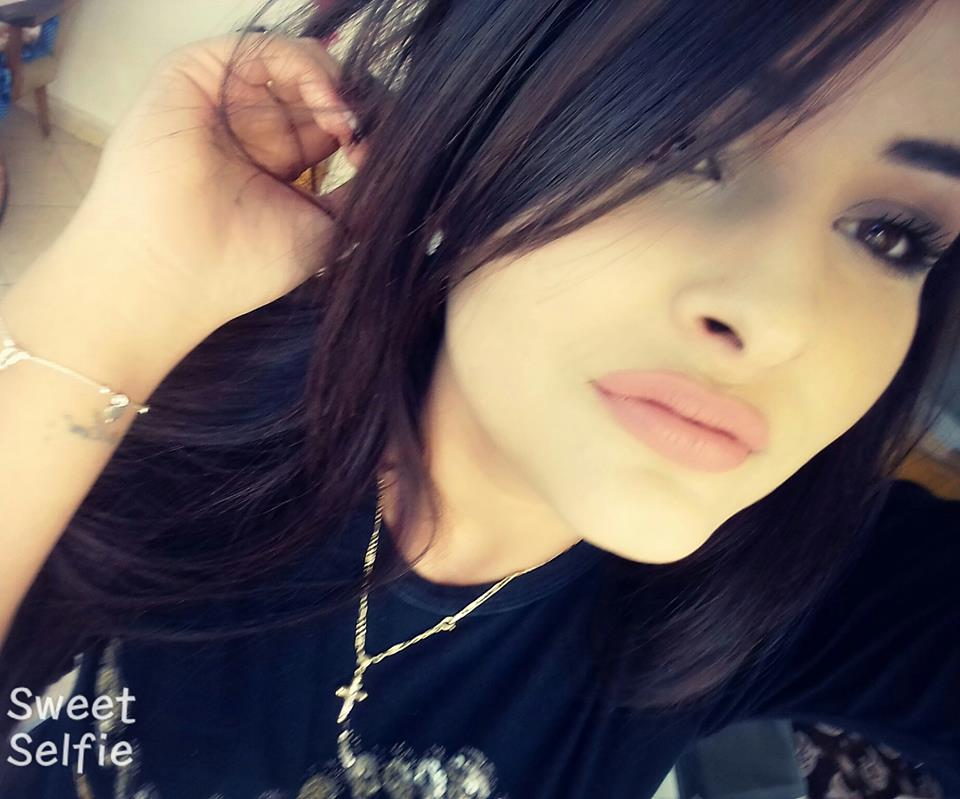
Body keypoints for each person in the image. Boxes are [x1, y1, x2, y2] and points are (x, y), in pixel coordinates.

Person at [0, 1, 958, 797]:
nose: (782, 320)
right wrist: (128, 284)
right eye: (682, 147)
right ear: (467, 133)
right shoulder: (159, 397)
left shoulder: (803, 575)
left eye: (891, 234)